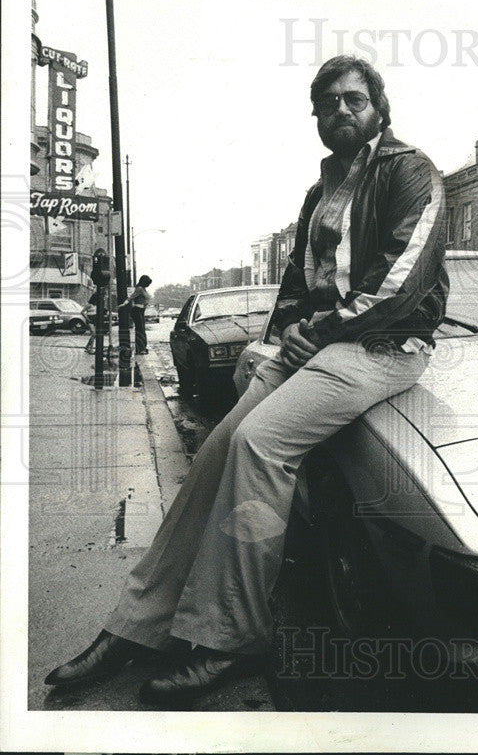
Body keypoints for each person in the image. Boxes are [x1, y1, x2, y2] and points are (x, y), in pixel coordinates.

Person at [44, 55, 449, 706]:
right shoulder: (323, 193)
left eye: (353, 99)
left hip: (382, 346)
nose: (340, 111)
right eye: (328, 104)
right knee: (213, 454)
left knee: (260, 444)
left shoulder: (411, 171)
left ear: (379, 106)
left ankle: (230, 636)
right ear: (316, 118)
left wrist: (313, 333)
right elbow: (298, 286)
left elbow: (400, 282)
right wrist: (268, 341)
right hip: (314, 347)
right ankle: (134, 624)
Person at [123, 274, 153, 354]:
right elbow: (132, 297)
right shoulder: (139, 289)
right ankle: (140, 349)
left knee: (142, 329)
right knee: (140, 330)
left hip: (141, 310)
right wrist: (124, 303)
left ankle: (142, 347)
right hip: (137, 310)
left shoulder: (143, 289)